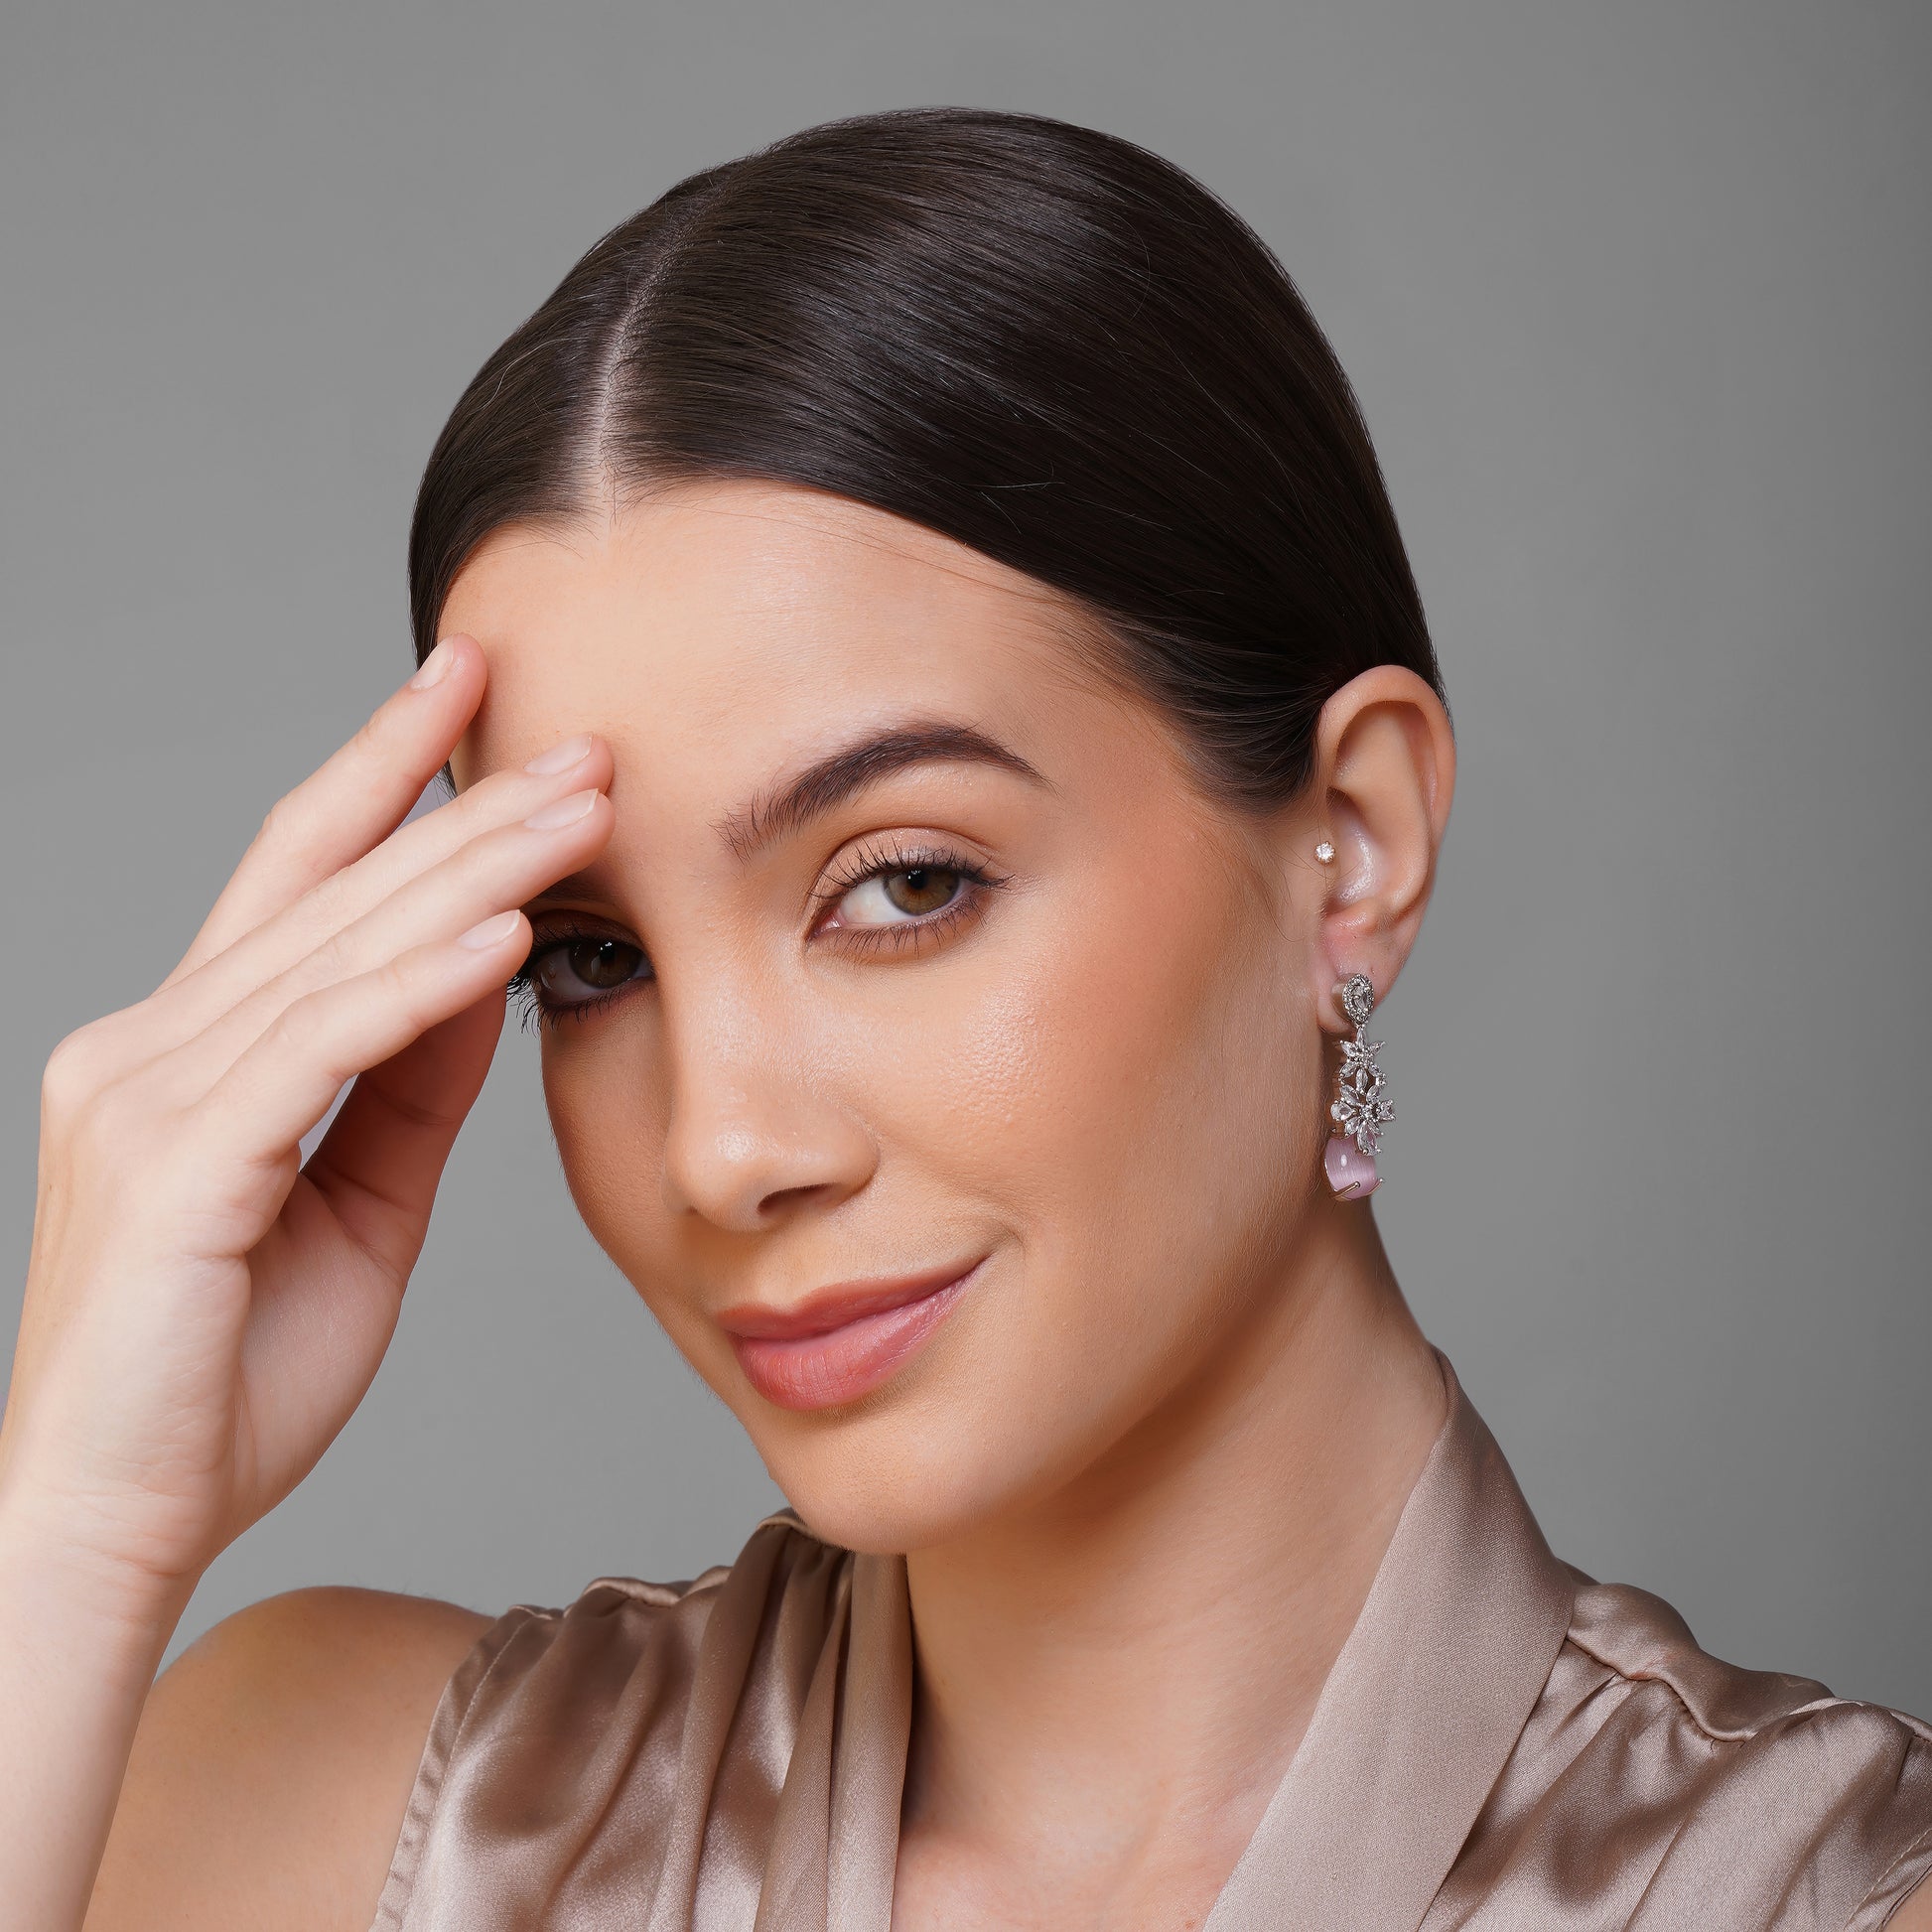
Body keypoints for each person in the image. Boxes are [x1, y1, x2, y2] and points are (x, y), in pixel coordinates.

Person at [2, 104, 1927, 1932]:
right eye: (587, 956)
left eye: (905, 881)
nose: (725, 1149)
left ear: (1349, 840)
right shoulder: (340, 1814)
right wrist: (76, 1527)